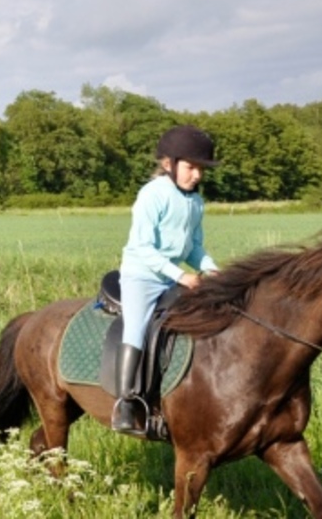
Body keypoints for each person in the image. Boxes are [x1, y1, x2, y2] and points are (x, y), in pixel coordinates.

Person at [113, 125, 220, 435]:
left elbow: (195, 247)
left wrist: (213, 270)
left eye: (201, 168)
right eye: (191, 167)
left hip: (174, 277)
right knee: (136, 327)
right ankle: (126, 403)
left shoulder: (195, 201)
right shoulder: (152, 194)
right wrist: (181, 275)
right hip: (142, 277)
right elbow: (142, 247)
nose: (197, 175)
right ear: (168, 164)